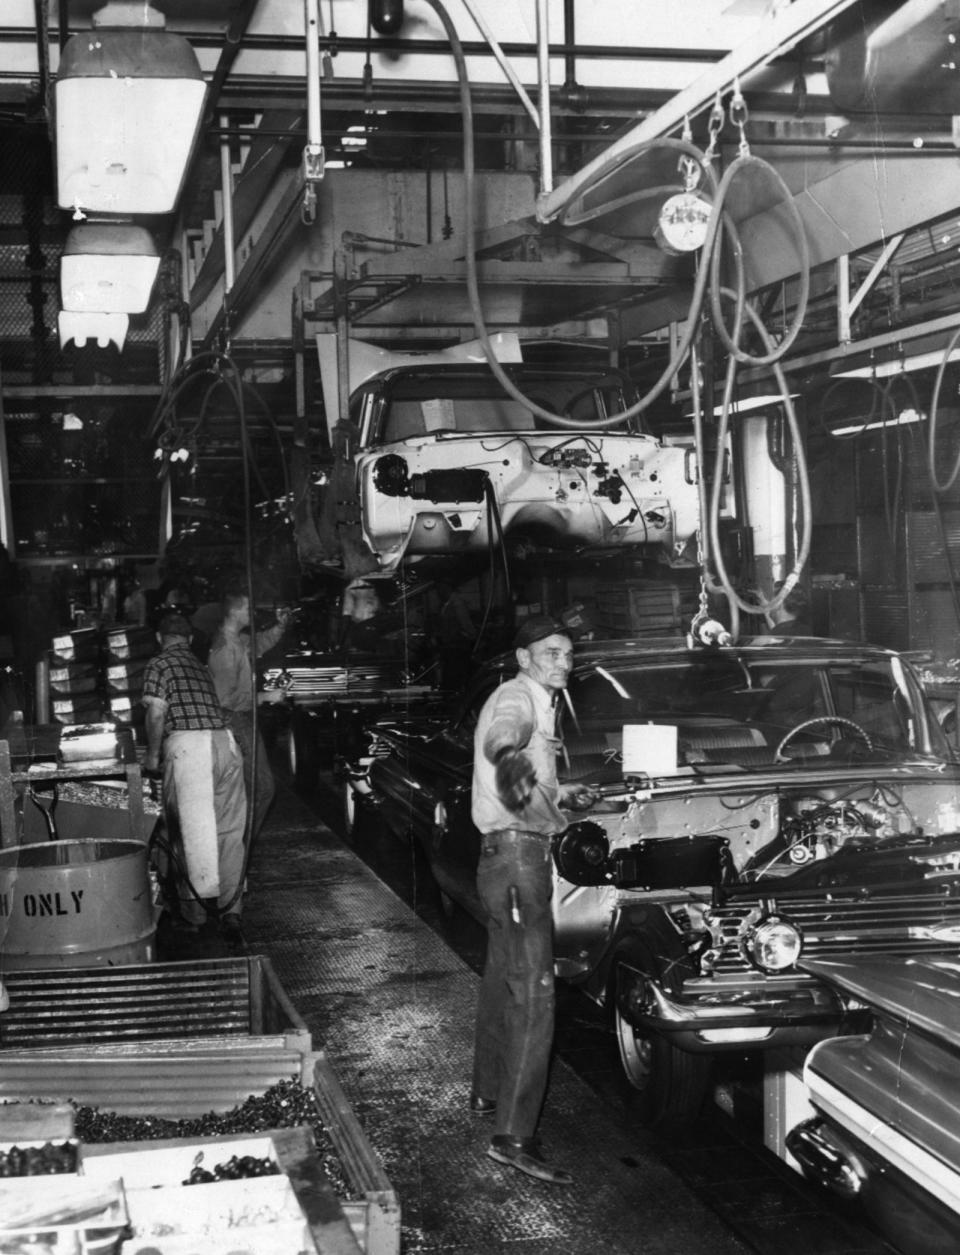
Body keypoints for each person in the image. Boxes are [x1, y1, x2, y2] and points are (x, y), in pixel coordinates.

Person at [469, 615, 596, 1187]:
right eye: (550, 651)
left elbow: (523, 771)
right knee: (535, 994)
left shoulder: (540, 702)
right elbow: (502, 742)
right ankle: (513, 1136)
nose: (562, 662)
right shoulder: (516, 697)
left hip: (505, 859)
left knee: (503, 978)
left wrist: (561, 796)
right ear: (523, 657)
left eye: (568, 653)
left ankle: (488, 1091)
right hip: (520, 861)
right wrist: (542, 811)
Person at [141, 613, 247, 941]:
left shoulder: (158, 664)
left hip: (191, 749)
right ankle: (231, 911)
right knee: (229, 832)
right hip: (225, 744)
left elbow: (156, 712)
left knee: (192, 833)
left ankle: (194, 916)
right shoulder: (200, 667)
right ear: (188, 640)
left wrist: (153, 756)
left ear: (161, 638)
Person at [207, 589, 291, 847]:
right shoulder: (224, 650)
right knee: (261, 789)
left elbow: (261, 642)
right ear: (234, 612)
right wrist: (266, 697)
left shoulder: (238, 640)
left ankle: (239, 848)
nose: (251, 613)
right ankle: (239, 849)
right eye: (247, 609)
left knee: (254, 788)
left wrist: (281, 625)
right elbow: (223, 703)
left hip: (243, 720)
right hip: (235, 721)